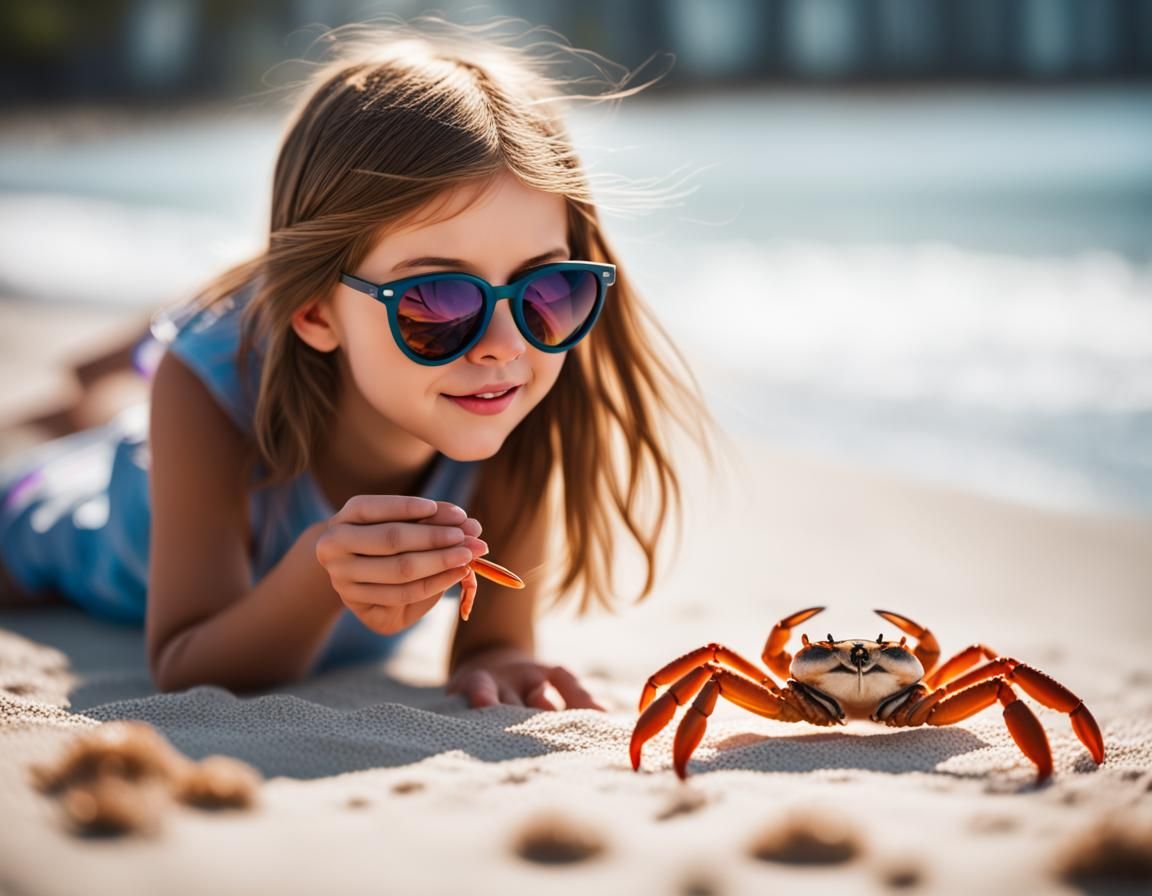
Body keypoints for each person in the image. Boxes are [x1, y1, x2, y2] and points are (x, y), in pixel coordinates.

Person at [0, 21, 713, 709]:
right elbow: (186, 662)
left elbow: (492, 641)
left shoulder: (515, 388)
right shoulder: (207, 392)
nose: (505, 343)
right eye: (437, 301)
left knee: (159, 373)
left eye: (549, 290)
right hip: (83, 515)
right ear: (314, 311)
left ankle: (127, 364)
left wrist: (494, 658)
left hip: (247, 355)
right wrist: (318, 573)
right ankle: (121, 376)